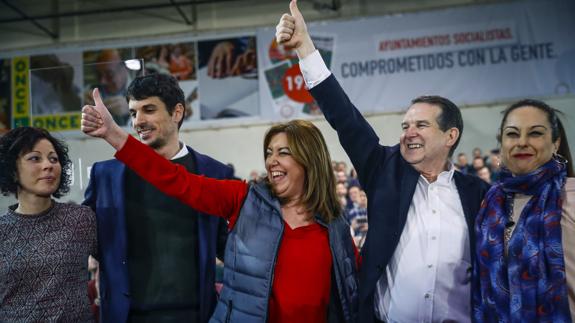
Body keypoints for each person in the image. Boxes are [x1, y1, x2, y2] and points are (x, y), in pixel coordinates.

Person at [276, 1, 490, 322]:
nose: (408, 133)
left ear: (450, 136)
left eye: (421, 125)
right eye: (405, 126)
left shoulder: (478, 193)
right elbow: (344, 117)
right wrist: (306, 49)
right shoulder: (383, 169)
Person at [81, 92, 359, 322]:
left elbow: (354, 290)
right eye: (269, 152)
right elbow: (176, 180)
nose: (272, 160)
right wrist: (114, 135)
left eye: (283, 152)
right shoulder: (243, 198)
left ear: (310, 160)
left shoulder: (335, 226)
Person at [82, 73, 232, 323]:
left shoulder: (216, 173)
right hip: (127, 317)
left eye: (148, 110)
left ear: (177, 112)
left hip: (197, 316)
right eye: (132, 113)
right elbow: (81, 241)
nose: (138, 121)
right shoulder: (105, 175)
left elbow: (231, 250)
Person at [473, 99, 575, 321]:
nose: (522, 142)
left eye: (535, 133)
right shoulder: (490, 202)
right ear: (502, 143)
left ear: (556, 143)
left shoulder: (571, 196)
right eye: (512, 134)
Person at [0, 127, 97, 321]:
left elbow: (119, 263)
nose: (48, 165)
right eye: (35, 158)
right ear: (12, 170)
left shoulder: (81, 219)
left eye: (54, 159)